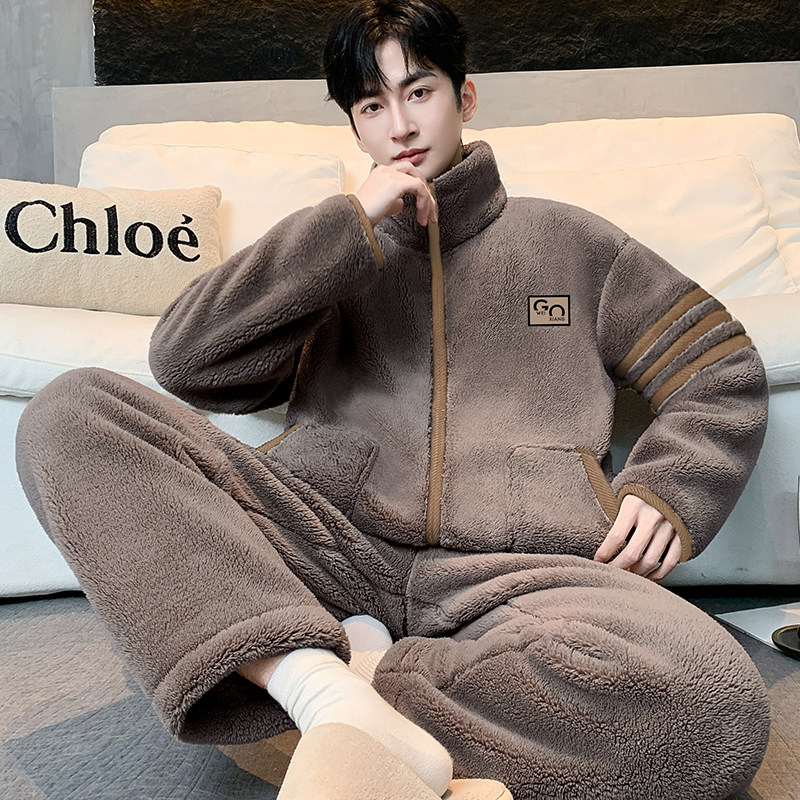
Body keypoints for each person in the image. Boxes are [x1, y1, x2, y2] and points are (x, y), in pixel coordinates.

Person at [16, 1, 772, 798]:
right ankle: (320, 688)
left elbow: (719, 364)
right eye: (373, 106)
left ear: (464, 96)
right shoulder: (329, 252)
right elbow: (187, 361)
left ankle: (349, 690)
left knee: (713, 707)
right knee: (70, 411)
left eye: (419, 92)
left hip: (521, 575)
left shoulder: (577, 245)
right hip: (324, 541)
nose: (401, 124)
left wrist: (671, 485)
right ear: (355, 128)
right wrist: (348, 227)